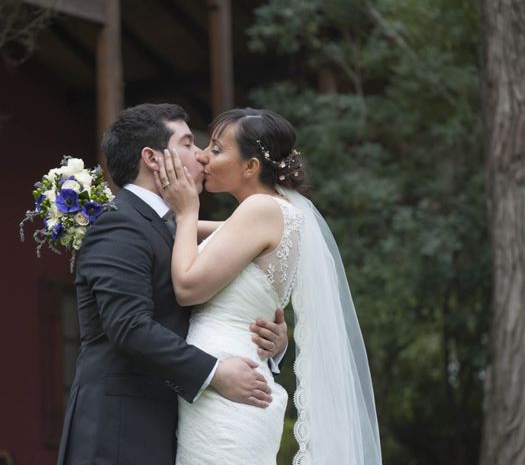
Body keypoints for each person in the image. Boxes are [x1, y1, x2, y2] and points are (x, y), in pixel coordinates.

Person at [56, 103, 289, 465]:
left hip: (167, 423)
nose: (201, 156)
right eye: (187, 144)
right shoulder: (118, 224)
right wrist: (215, 372)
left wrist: (271, 336)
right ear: (152, 158)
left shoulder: (172, 226)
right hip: (119, 430)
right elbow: (129, 327)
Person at [155, 108, 383, 464]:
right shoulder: (279, 212)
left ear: (250, 167)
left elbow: (186, 287)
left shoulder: (260, 209)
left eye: (217, 150)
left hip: (228, 397)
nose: (202, 155)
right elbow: (212, 233)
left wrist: (186, 213)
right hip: (233, 387)